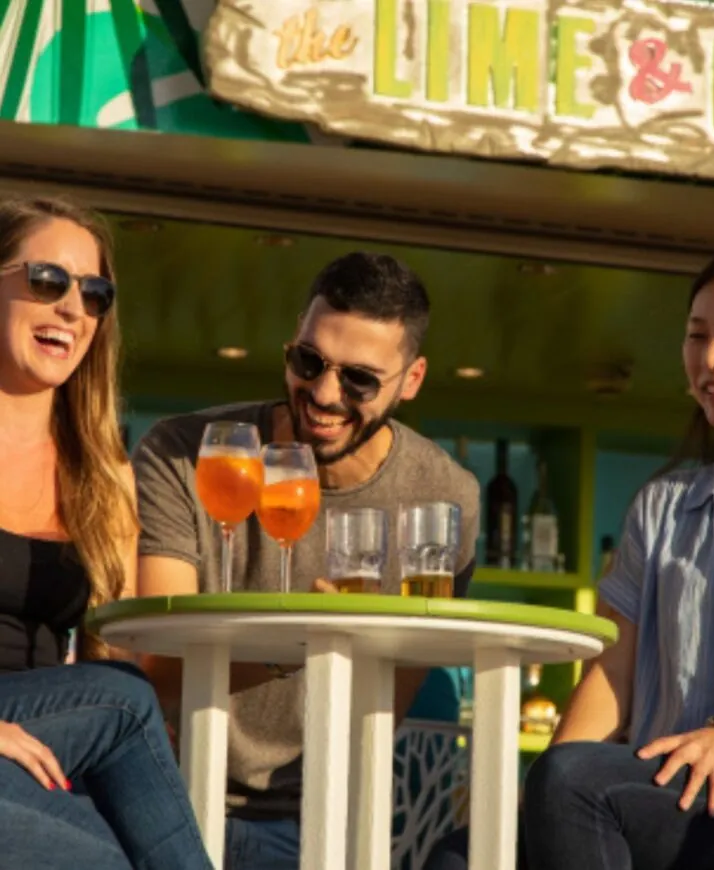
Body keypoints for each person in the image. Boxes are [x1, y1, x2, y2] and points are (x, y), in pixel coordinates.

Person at [426, 243, 714, 870]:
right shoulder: (661, 507)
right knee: (466, 853)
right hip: (672, 793)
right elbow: (613, 675)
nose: (711, 358)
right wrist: (537, 802)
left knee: (574, 784)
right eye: (696, 336)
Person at [133, 251, 480, 870]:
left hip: (318, 811)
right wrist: (300, 640)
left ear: (413, 379)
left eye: (360, 380)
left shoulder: (445, 499)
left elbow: (385, 704)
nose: (323, 394)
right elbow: (159, 666)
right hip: (165, 792)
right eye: (309, 362)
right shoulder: (186, 454)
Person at [0, 196, 212, 868]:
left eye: (94, 294)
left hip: (41, 744)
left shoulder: (102, 472)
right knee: (124, 703)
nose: (71, 308)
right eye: (46, 281)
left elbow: (110, 656)